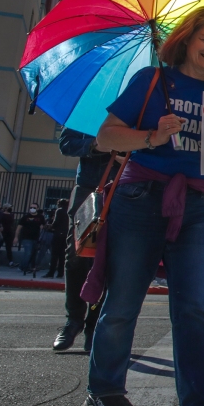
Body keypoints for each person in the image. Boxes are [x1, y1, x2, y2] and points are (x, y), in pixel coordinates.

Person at [83, 6, 204, 406]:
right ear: (186, 39)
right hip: (141, 199)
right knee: (123, 302)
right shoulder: (151, 81)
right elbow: (106, 136)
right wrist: (153, 137)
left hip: (198, 205)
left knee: (193, 308)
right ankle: (103, 391)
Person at [54, 129, 117, 352]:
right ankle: (73, 321)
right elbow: (66, 143)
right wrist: (97, 145)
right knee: (76, 259)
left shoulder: (134, 107)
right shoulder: (88, 109)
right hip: (88, 190)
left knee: (110, 264)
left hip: (121, 189)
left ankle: (94, 326)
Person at [43, 198, 70, 278]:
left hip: (58, 235)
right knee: (63, 255)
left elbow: (56, 223)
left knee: (54, 255)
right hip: (66, 235)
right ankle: (60, 273)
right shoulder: (69, 211)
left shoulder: (59, 211)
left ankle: (51, 272)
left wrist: (49, 226)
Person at [15, 203, 45, 274]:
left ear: (37, 209)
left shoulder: (40, 217)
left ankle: (24, 266)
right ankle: (24, 267)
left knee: (33, 254)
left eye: (34, 208)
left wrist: (42, 226)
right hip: (26, 238)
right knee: (27, 253)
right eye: (31, 207)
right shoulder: (25, 217)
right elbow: (19, 228)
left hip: (36, 238)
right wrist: (16, 237)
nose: (32, 209)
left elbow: (44, 225)